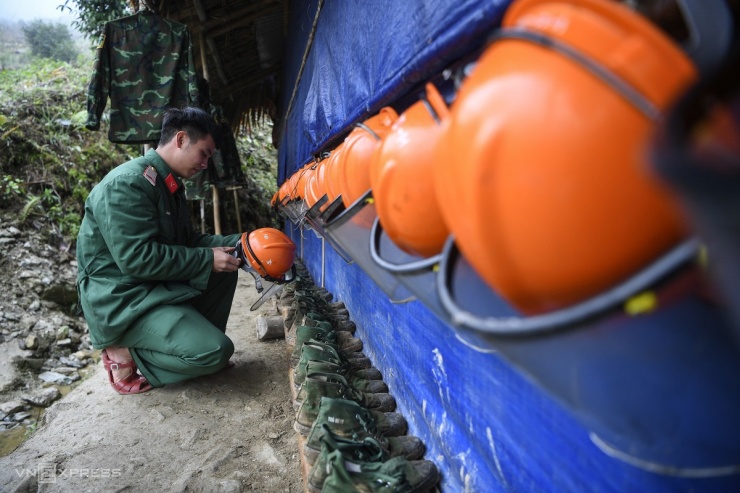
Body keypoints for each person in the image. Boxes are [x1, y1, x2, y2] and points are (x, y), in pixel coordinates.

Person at [76, 106, 245, 395]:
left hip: (151, 288)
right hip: (123, 300)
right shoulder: (126, 184)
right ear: (180, 139)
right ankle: (126, 352)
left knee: (226, 267)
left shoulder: (167, 184)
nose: (206, 164)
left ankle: (191, 348)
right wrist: (207, 258)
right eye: (204, 153)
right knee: (216, 352)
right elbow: (137, 259)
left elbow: (188, 242)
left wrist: (244, 242)